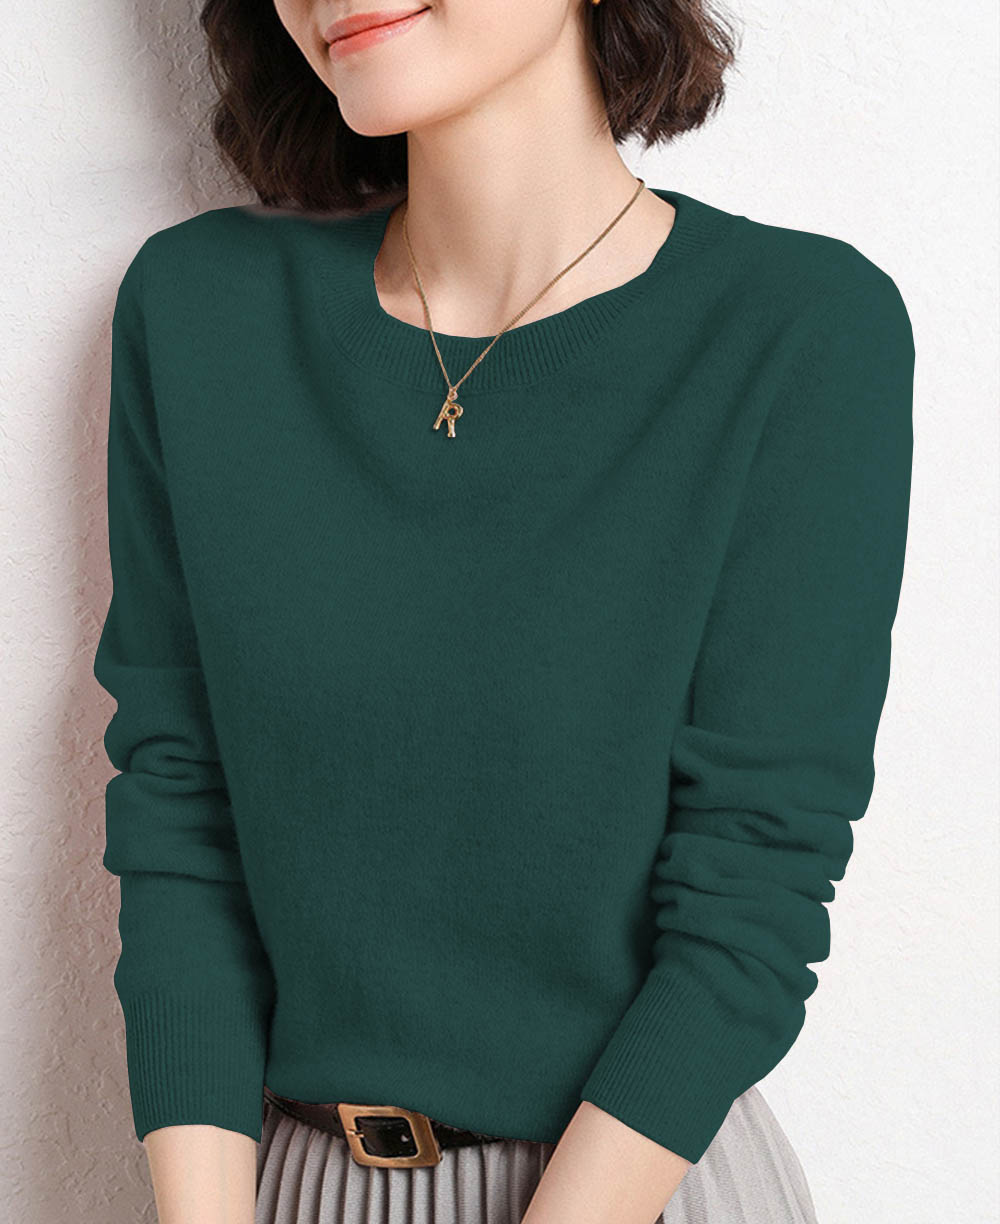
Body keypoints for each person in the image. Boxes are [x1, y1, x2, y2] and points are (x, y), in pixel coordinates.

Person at [92, 0, 915, 1221]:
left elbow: (752, 894)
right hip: (289, 1188)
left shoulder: (796, 329)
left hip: (630, 1190)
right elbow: (181, 813)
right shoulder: (202, 308)